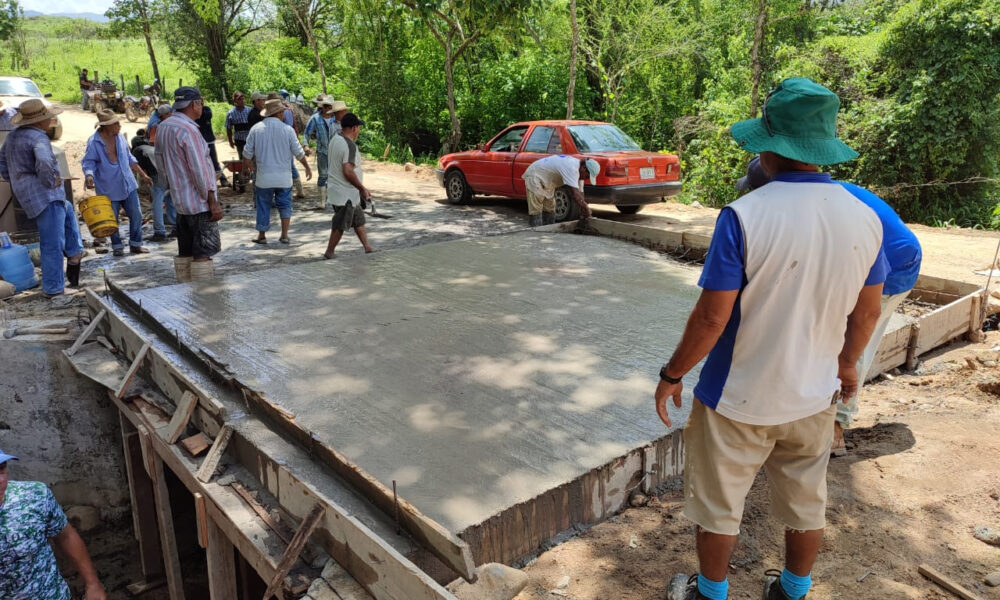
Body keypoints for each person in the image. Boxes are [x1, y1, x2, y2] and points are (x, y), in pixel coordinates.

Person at [655, 78, 889, 600]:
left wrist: (672, 375)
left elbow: (712, 320)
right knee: (807, 499)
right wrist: (847, 365)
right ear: (822, 147)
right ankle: (793, 589)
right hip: (813, 395)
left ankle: (710, 593)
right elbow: (867, 312)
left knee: (719, 503)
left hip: (738, 397)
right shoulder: (865, 218)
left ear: (768, 148)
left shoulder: (743, 216)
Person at [735, 155, 923, 456]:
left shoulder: (815, 205)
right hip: (875, 255)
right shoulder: (811, 196)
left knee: (855, 338)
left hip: (894, 263)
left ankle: (836, 426)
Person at [0, 100, 85, 296]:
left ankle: (74, 254)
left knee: (68, 209)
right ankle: (54, 288)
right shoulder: (38, 138)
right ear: (40, 121)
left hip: (26, 192)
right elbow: (45, 160)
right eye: (48, 118)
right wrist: (49, 181)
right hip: (44, 194)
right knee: (52, 242)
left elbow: (2, 162)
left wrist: (14, 179)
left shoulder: (13, 136)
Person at [0, 449, 107, 599]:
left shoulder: (34, 495)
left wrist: (93, 584)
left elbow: (66, 536)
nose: (0, 480)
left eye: (2, 469)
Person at [155, 87, 223, 282]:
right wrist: (212, 201)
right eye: (200, 102)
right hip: (199, 203)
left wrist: (171, 188)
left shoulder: (164, 127)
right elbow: (199, 170)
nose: (201, 106)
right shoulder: (189, 130)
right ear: (194, 104)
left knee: (185, 252)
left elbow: (160, 164)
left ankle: (185, 297)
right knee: (202, 254)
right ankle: (205, 301)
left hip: (180, 202)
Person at [82, 110, 152, 257]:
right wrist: (89, 175)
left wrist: (143, 175)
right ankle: (117, 246)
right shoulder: (94, 142)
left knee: (137, 215)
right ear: (107, 126)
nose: (119, 126)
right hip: (108, 188)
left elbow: (130, 158)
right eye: (116, 124)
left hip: (128, 184)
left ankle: (136, 244)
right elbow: (88, 162)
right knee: (112, 220)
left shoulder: (120, 138)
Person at [243, 98, 311, 244]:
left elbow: (246, 154)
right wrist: (307, 167)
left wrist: (249, 168)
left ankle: (261, 235)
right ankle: (284, 235)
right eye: (282, 112)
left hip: (263, 178)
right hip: (284, 178)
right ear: (279, 113)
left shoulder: (256, 129)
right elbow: (299, 153)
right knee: (285, 205)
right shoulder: (288, 130)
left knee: (263, 205)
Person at [323, 113, 375, 258]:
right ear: (353, 128)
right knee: (340, 223)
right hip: (345, 193)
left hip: (341, 191)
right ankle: (330, 251)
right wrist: (362, 188)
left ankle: (367, 247)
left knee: (358, 220)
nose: (359, 131)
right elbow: (348, 170)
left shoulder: (335, 139)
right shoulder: (349, 145)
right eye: (358, 127)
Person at [520, 155, 598, 226]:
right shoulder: (572, 168)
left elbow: (581, 194)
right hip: (535, 175)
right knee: (536, 209)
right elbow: (575, 194)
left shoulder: (580, 173)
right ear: (584, 168)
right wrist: (587, 209)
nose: (586, 179)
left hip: (548, 181)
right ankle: (535, 232)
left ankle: (547, 234)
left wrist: (583, 210)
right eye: (587, 176)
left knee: (550, 208)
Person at [132, 134, 175, 242]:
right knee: (170, 200)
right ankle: (176, 228)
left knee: (157, 203)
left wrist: (148, 188)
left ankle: (160, 232)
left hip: (157, 176)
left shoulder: (137, 150)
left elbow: (142, 171)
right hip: (170, 174)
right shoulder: (152, 148)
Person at [303, 97, 339, 199]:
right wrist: (306, 146)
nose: (327, 108)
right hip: (322, 151)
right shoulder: (315, 118)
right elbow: (306, 133)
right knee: (323, 175)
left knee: (335, 175)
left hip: (336, 152)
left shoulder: (336, 118)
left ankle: (333, 198)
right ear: (322, 107)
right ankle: (321, 201)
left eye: (329, 106)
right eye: (325, 106)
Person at [194, 102, 228, 186]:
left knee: (214, 162)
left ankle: (222, 179)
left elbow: (208, 115)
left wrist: (200, 107)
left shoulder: (206, 109)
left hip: (209, 140)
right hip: (199, 142)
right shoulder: (194, 112)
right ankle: (207, 181)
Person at [225, 91, 253, 160]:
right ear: (235, 101)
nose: (242, 101)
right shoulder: (231, 113)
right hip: (239, 140)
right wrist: (230, 141)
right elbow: (229, 128)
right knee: (242, 159)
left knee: (253, 158)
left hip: (250, 139)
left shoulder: (250, 110)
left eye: (243, 99)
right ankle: (244, 170)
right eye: (239, 99)